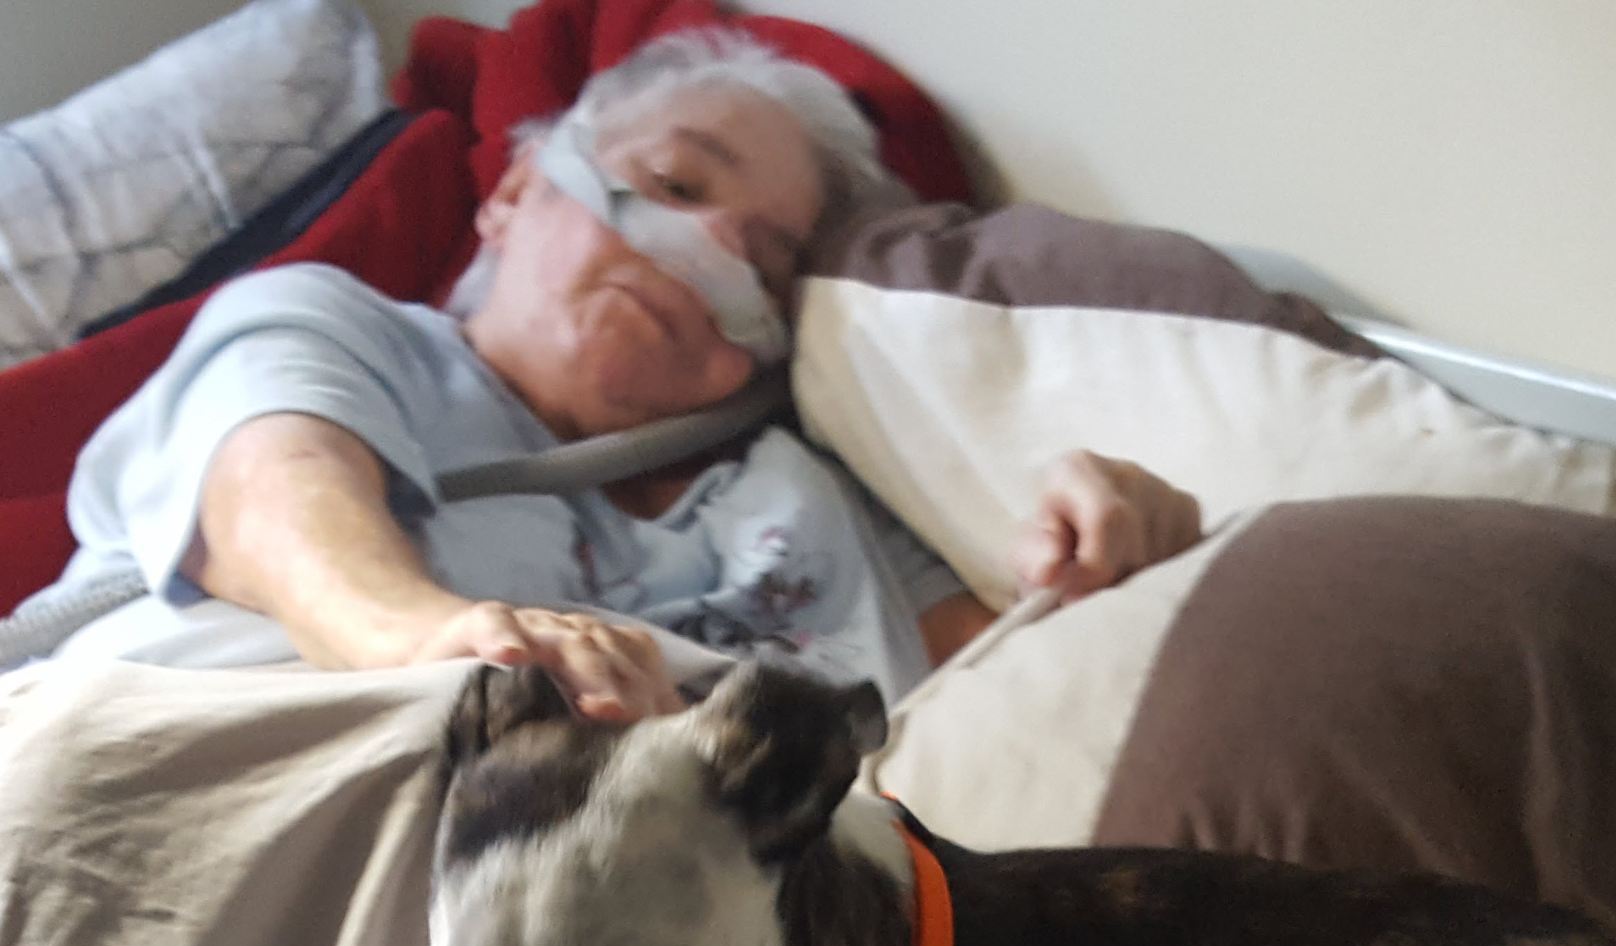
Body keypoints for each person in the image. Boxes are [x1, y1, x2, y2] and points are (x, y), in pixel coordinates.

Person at [23, 29, 1202, 717]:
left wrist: (1116, 561)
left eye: (770, 258)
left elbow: (1017, 688)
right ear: (519, 189)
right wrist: (430, 642)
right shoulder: (335, 328)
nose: (710, 252)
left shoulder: (811, 494)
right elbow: (271, 494)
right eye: (682, 187)